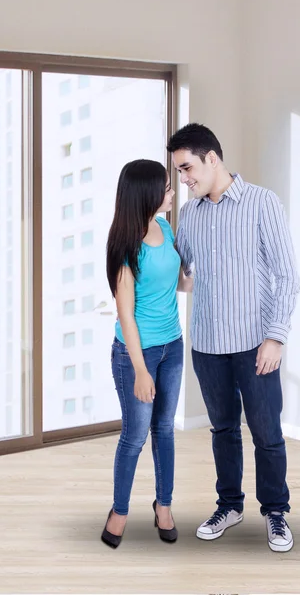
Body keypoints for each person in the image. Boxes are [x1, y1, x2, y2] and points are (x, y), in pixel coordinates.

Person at [169, 123, 300, 553]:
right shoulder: (189, 215)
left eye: (187, 167)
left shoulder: (263, 203)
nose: (183, 178)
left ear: (212, 158)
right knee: (223, 429)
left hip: (255, 344)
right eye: (178, 171)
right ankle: (229, 505)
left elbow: (287, 277)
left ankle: (276, 512)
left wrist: (276, 338)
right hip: (207, 345)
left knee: (266, 430)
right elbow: (185, 275)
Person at [101, 159, 190, 549]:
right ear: (147, 194)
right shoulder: (126, 247)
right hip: (135, 353)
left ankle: (164, 505)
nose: (173, 192)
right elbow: (126, 314)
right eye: (167, 188)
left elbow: (179, 283)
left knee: (165, 429)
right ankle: (120, 509)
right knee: (135, 435)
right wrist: (140, 369)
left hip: (173, 346)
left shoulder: (165, 226)